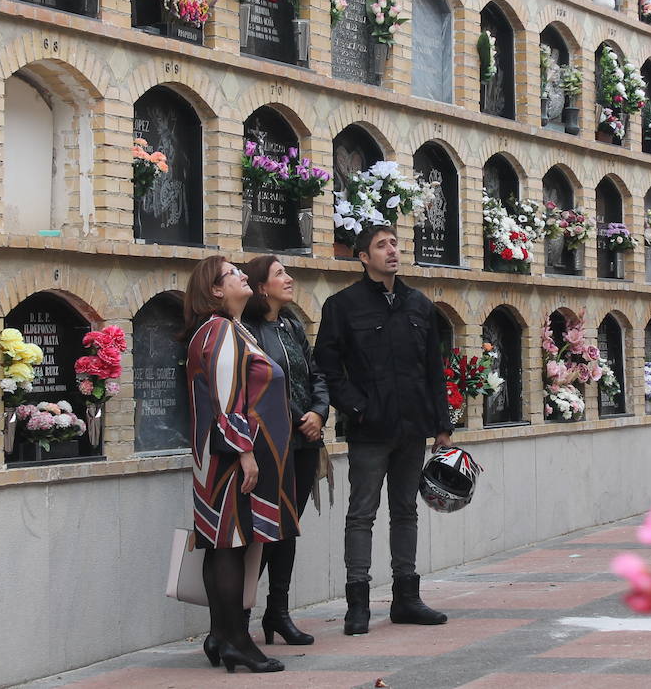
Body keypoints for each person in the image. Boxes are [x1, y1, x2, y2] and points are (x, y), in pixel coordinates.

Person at [313, 224, 454, 636]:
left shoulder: (419, 305)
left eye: (394, 243)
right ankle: (357, 603)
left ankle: (406, 599)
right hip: (369, 431)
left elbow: (433, 370)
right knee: (361, 515)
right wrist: (358, 407)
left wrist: (441, 426)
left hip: (412, 429)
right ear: (363, 257)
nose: (392, 251)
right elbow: (326, 366)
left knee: (406, 512)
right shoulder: (342, 307)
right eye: (381, 245)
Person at [182, 255, 298, 674]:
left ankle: (221, 635)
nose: (243, 275)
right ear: (215, 290)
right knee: (230, 545)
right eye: (233, 273)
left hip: (221, 455)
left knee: (223, 547)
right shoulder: (221, 331)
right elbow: (226, 397)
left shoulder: (227, 329)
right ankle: (237, 642)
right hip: (231, 457)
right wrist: (246, 453)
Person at [242, 255, 330, 646]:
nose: (289, 279)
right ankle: (237, 616)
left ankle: (278, 611)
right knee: (264, 531)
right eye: (280, 274)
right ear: (261, 286)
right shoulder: (248, 331)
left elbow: (316, 373)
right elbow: (264, 386)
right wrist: (300, 417)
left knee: (288, 530)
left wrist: (319, 411)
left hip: (305, 443)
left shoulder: (292, 326)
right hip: (272, 445)